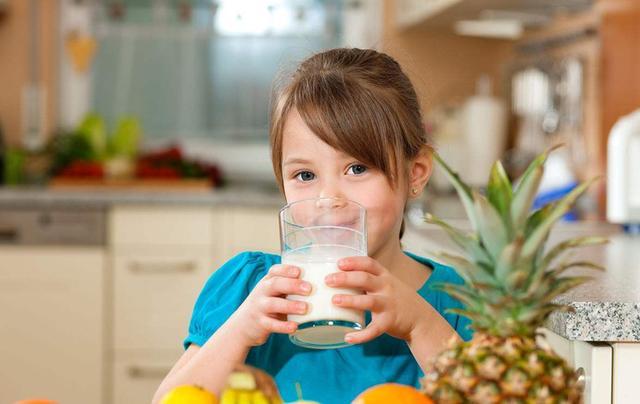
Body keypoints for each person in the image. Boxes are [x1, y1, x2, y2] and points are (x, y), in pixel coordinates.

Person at [153, 48, 473, 404]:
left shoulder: (457, 304)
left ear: (416, 174)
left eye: (357, 168)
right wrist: (241, 329)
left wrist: (420, 324)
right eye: (305, 175)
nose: (328, 198)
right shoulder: (248, 290)